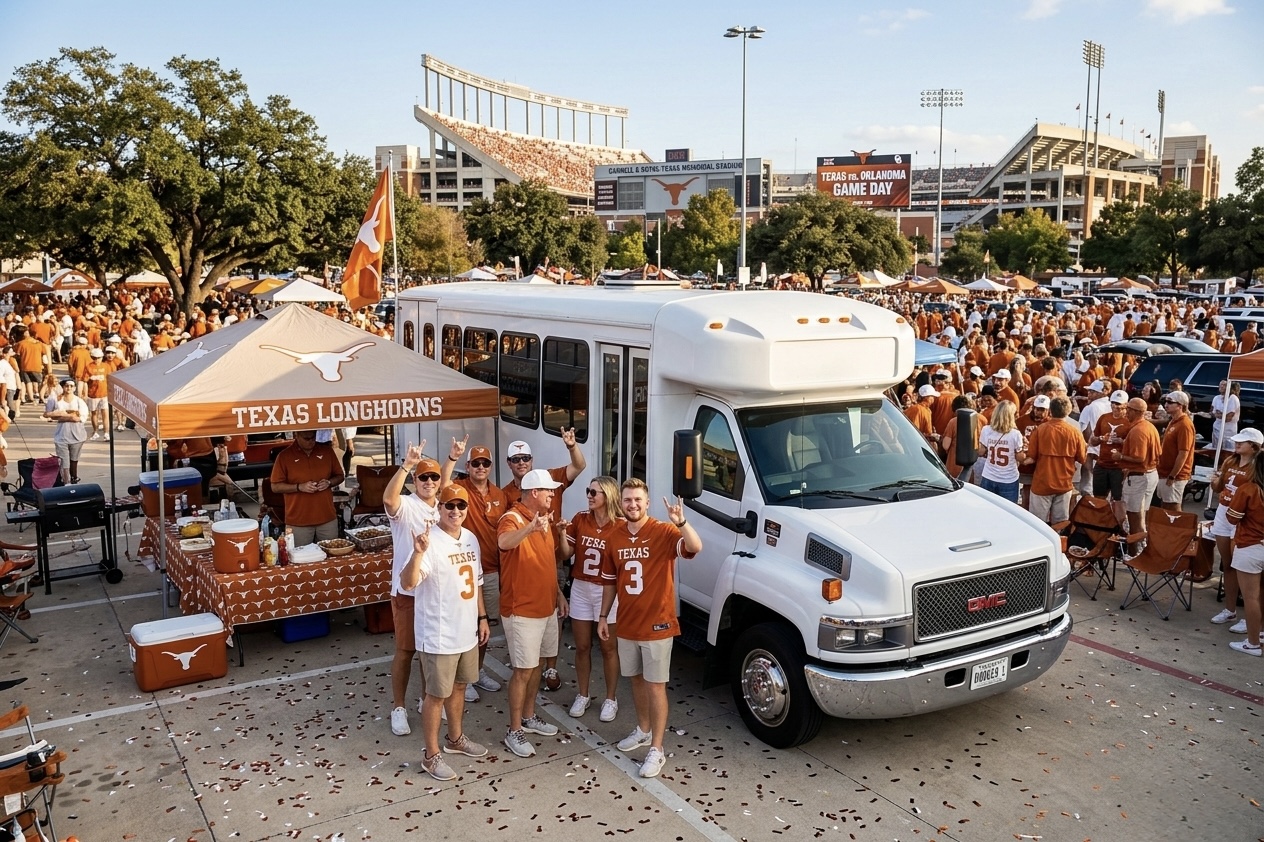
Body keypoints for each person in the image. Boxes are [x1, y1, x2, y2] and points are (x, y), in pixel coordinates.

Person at [597, 479, 701, 779]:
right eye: (627, 500)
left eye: (638, 500)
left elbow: (695, 547)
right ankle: (642, 729)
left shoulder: (663, 531)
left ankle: (656, 748)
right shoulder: (614, 536)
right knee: (637, 681)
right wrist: (604, 616)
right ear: (622, 503)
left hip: (658, 623)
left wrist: (681, 521)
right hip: (628, 623)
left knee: (656, 685)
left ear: (648, 502)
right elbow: (609, 581)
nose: (632, 505)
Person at [399, 484, 491, 780]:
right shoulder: (429, 541)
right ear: (439, 508)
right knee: (435, 694)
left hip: (466, 630)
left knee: (461, 686)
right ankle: (431, 755)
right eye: (449, 506)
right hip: (438, 633)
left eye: (460, 506)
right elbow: (407, 584)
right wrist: (416, 554)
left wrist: (483, 617)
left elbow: (476, 582)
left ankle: (455, 739)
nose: (455, 511)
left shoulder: (471, 539)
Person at [500, 433, 585, 690]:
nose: (521, 462)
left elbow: (579, 466)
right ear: (509, 463)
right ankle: (529, 666)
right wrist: (529, 530)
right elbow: (504, 540)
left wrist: (571, 446)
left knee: (554, 616)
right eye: (516, 459)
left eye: (525, 458)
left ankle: (550, 668)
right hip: (524, 565)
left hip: (551, 559)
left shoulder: (549, 477)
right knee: (528, 632)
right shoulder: (508, 497)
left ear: (532, 460)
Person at [497, 468, 568, 758]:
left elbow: (548, 562)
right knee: (523, 671)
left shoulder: (545, 521)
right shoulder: (512, 518)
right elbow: (504, 543)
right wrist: (530, 528)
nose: (553, 494)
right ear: (534, 493)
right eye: (549, 490)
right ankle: (514, 730)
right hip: (522, 610)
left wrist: (559, 594)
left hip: (546, 607)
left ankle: (528, 717)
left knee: (537, 664)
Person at [440, 437, 506, 702]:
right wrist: (452, 457)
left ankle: (476, 672)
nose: (481, 467)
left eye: (485, 463)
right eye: (476, 463)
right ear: (468, 466)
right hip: (462, 569)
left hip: (491, 571)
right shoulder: (460, 489)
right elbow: (443, 484)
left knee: (483, 626)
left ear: (490, 466)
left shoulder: (499, 494)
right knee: (464, 627)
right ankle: (462, 680)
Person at [383, 442, 441, 737]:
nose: (428, 482)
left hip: (432, 592)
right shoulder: (406, 505)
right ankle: (398, 707)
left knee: (427, 650)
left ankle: (425, 699)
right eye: (423, 478)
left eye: (434, 478)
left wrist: (453, 459)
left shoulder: (444, 508)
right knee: (405, 651)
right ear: (415, 481)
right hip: (406, 592)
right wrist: (406, 465)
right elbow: (389, 500)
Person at [561, 475, 624, 722]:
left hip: (607, 590)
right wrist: (560, 534)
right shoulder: (580, 519)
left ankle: (611, 698)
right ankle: (583, 693)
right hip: (581, 587)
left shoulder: (620, 525)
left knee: (608, 647)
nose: (589, 495)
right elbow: (567, 553)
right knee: (583, 645)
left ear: (608, 496)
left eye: (594, 492)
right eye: (588, 491)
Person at [1210, 429, 1263, 630]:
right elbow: (1218, 486)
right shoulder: (1230, 461)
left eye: (1242, 442)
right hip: (1224, 511)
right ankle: (1230, 610)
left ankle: (1249, 616)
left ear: (1254, 446)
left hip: (1244, 517)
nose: (1237, 444)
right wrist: (1215, 481)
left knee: (1246, 567)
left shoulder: (1257, 466)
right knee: (1228, 564)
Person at [268, 429, 345, 545]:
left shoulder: (327, 451)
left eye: (313, 437)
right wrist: (299, 487)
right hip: (298, 521)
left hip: (327, 517)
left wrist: (329, 483)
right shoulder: (284, 456)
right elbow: (275, 487)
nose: (311, 441)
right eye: (306, 438)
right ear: (296, 435)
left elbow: (340, 476)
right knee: (299, 558)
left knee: (331, 556)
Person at [1224, 450, 1264, 657]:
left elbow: (1232, 518)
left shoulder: (1248, 489)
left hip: (1250, 546)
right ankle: (1261, 633)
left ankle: (1253, 643)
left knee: (1251, 598)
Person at [1023, 396, 1086, 524]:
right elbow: (1082, 458)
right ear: (1068, 412)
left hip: (1042, 483)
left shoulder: (1040, 430)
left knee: (1037, 524)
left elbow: (1031, 458)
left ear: (1050, 411)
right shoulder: (1075, 432)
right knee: (1060, 524)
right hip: (1064, 484)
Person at [1115, 398, 1162, 552]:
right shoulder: (1149, 426)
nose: (1125, 412)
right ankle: (1141, 550)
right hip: (1149, 474)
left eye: (1128, 409)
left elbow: (1139, 458)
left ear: (1136, 411)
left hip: (1139, 477)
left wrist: (1119, 456)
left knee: (1134, 516)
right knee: (1140, 515)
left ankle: (1134, 553)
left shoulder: (1138, 430)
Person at [1090, 391, 1133, 526]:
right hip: (1102, 463)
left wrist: (1121, 441)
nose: (1115, 407)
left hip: (1118, 467)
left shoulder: (1129, 422)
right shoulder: (1104, 418)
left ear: (1126, 405)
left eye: (1119, 405)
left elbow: (1133, 444)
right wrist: (1101, 438)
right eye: (1113, 403)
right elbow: (1092, 440)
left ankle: (1118, 527)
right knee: (1099, 498)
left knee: (1118, 499)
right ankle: (1100, 525)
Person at [43, 378, 89, 484]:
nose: (69, 388)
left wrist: (61, 416)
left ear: (74, 388)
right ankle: (66, 482)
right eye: (66, 386)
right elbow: (47, 414)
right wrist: (68, 415)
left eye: (71, 386)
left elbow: (78, 418)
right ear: (63, 387)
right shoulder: (55, 400)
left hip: (78, 435)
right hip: (61, 435)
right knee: (64, 461)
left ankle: (74, 478)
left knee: (74, 459)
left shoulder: (79, 401)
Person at [978, 400, 1024, 504]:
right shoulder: (1015, 434)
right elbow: (1020, 458)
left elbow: (980, 452)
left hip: (989, 475)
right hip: (1008, 478)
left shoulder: (986, 430)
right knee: (1009, 511)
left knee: (986, 508)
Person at [1156, 391, 1196, 511]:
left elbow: (1184, 452)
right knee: (1165, 505)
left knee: (1172, 506)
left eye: (1170, 402)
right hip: (1165, 472)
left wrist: (1173, 475)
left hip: (1175, 476)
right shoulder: (1173, 421)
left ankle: (1177, 529)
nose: (1166, 405)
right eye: (1165, 402)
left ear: (1180, 406)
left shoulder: (1184, 425)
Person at [84, 348, 110, 439]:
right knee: (94, 413)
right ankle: (95, 431)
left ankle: (106, 433)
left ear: (102, 357)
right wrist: (92, 378)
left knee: (105, 413)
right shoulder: (88, 366)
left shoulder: (106, 366)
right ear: (92, 357)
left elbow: (110, 378)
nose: (97, 360)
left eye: (99, 358)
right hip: (93, 394)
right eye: (95, 358)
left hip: (104, 394)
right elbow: (85, 379)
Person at [1211, 380, 1241, 454]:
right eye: (1220, 384)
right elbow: (1212, 412)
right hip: (1216, 429)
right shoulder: (1217, 398)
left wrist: (1218, 414)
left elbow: (1228, 418)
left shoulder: (1233, 398)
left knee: (1227, 453)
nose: (1221, 386)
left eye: (1224, 385)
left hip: (1228, 432)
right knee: (1215, 452)